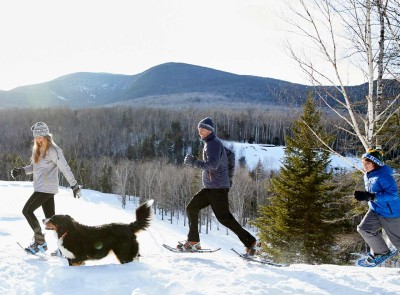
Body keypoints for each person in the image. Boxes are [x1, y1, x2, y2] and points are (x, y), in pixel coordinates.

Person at [178, 117, 257, 255]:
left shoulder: (212, 144)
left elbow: (212, 165)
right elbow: (230, 155)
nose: (200, 132)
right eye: (199, 130)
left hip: (217, 189)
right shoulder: (213, 142)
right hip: (213, 188)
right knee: (192, 208)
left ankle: (250, 242)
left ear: (209, 130)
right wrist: (229, 178)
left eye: (202, 130)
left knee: (224, 218)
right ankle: (193, 242)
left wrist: (194, 162)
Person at [11, 122, 82, 254]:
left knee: (27, 211)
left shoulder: (53, 150)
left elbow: (64, 168)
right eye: (36, 137)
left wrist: (74, 185)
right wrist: (21, 171)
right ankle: (64, 247)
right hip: (40, 188)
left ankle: (40, 242)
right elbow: (34, 167)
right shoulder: (37, 149)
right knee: (52, 219)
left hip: (46, 189)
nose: (38, 139)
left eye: (40, 136)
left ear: (46, 135)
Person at [354, 148, 400, 264]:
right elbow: (371, 194)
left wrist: (372, 196)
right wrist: (366, 196)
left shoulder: (384, 176)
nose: (365, 165)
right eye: (364, 163)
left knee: (397, 241)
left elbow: (393, 194)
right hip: (375, 210)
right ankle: (382, 252)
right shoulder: (367, 175)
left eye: (368, 163)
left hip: (390, 213)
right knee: (364, 229)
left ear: (376, 163)